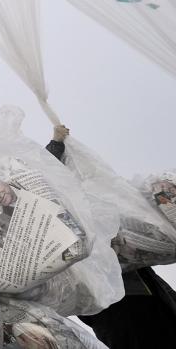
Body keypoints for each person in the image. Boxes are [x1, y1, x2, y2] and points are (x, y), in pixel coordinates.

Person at [45, 124, 176, 347]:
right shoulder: (54, 232)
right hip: (115, 306)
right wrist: (55, 146)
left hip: (147, 296)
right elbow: (41, 176)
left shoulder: (107, 230)